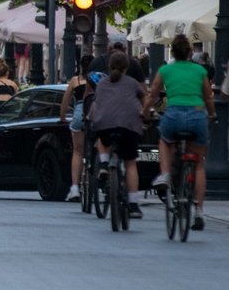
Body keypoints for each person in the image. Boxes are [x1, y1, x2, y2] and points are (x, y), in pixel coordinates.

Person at [143, 34, 217, 231]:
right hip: (197, 116)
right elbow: (208, 97)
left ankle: (166, 175)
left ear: (173, 52)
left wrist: (144, 112)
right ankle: (198, 211)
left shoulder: (165, 70)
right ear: (190, 52)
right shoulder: (200, 70)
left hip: (173, 115)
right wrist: (213, 114)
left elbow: (153, 95)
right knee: (199, 164)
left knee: (165, 141)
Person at [91, 51, 146, 220]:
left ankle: (104, 165)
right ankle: (133, 204)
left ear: (109, 66)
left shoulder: (101, 84)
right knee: (130, 163)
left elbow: (97, 104)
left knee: (102, 139)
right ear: (127, 67)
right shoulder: (132, 83)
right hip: (129, 126)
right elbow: (144, 98)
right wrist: (145, 114)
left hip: (104, 126)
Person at [60, 54, 93, 202]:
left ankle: (74, 188)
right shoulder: (99, 79)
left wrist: (62, 117)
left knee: (78, 152)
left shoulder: (75, 81)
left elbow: (65, 101)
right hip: (95, 114)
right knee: (98, 146)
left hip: (79, 113)